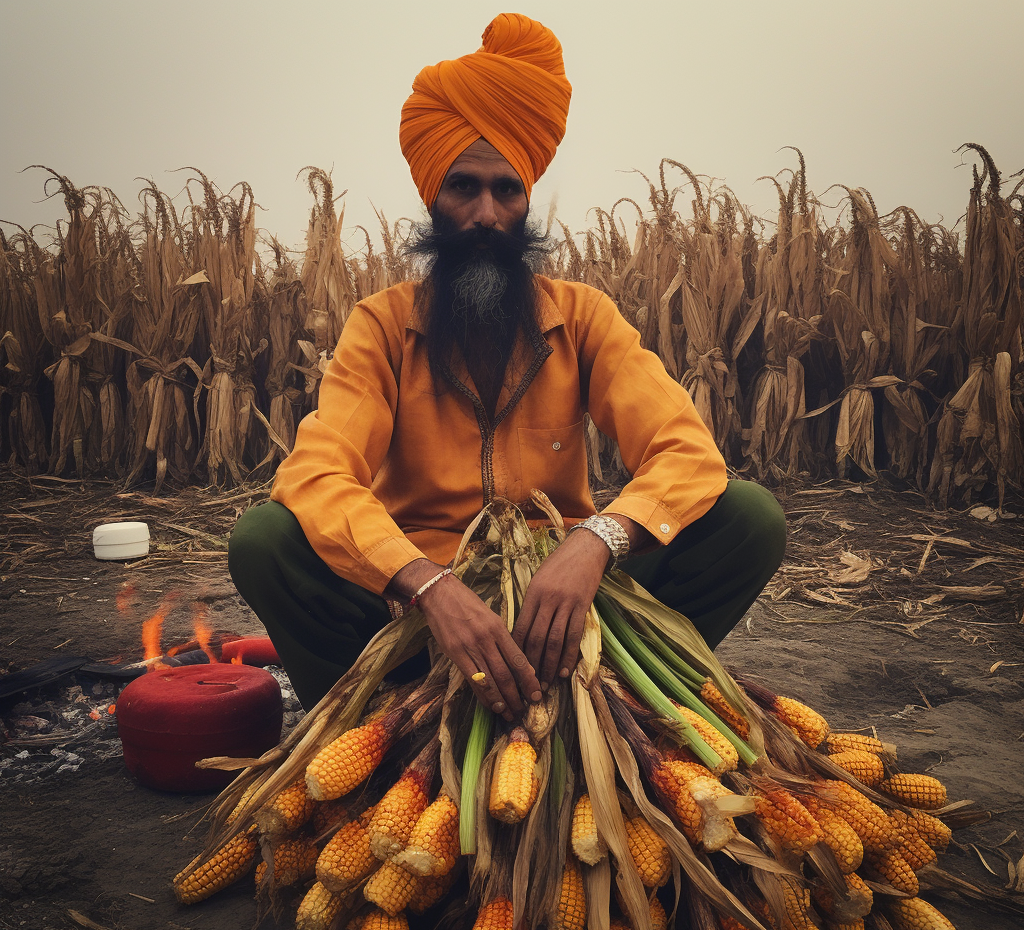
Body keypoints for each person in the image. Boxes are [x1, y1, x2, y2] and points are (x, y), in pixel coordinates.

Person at [229, 13, 786, 718]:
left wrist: (595, 542)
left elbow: (687, 454)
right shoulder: (381, 327)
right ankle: (375, 720)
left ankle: (624, 699)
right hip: (420, 612)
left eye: (507, 190)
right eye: (464, 187)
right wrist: (427, 585)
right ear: (434, 199)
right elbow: (316, 476)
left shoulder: (582, 317)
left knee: (749, 518)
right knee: (266, 540)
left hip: (567, 606)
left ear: (527, 203)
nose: (486, 214)